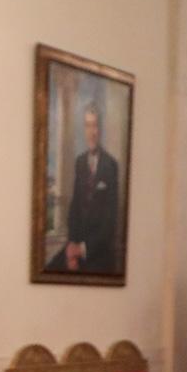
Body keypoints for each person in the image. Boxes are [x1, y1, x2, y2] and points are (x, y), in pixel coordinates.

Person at [63, 104, 120, 273]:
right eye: (88, 126)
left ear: (100, 129)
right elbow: (75, 208)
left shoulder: (111, 165)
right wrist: (73, 247)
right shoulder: (79, 162)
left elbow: (110, 221)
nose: (91, 132)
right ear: (84, 129)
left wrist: (83, 249)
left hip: (100, 255)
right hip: (77, 252)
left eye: (95, 125)